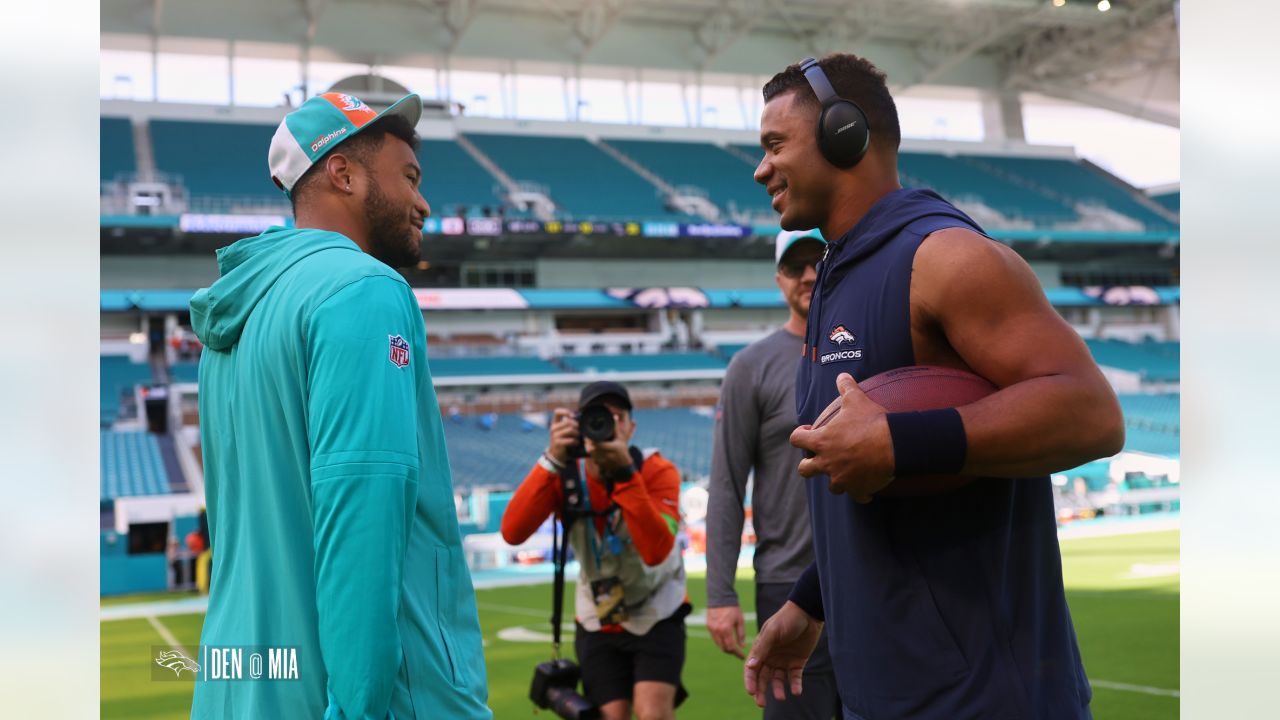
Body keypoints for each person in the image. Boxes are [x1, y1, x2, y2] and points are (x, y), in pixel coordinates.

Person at [742, 54, 1125, 720]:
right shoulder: (835, 278)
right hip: (885, 697)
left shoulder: (945, 257)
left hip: (986, 703)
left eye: (776, 145)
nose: (760, 168)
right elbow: (878, 493)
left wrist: (898, 441)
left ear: (844, 133)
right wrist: (809, 604)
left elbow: (1091, 412)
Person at [188, 92, 491, 719]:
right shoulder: (365, 290)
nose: (423, 202)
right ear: (344, 174)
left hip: (240, 690)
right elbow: (363, 515)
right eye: (408, 177)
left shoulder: (232, 322)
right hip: (353, 698)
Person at [706, 228, 841, 719]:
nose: (808, 274)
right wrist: (720, 594)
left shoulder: (869, 349)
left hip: (869, 572)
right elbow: (726, 483)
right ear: (778, 278)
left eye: (818, 260)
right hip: (786, 583)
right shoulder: (751, 366)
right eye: (794, 266)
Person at [501, 381, 688, 720]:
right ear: (579, 424)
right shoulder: (566, 473)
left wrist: (625, 474)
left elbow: (656, 551)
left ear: (631, 427)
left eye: (617, 417)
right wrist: (552, 459)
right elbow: (513, 533)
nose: (609, 424)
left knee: (653, 713)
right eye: (598, 416)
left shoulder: (656, 470)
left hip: (657, 608)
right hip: (597, 615)